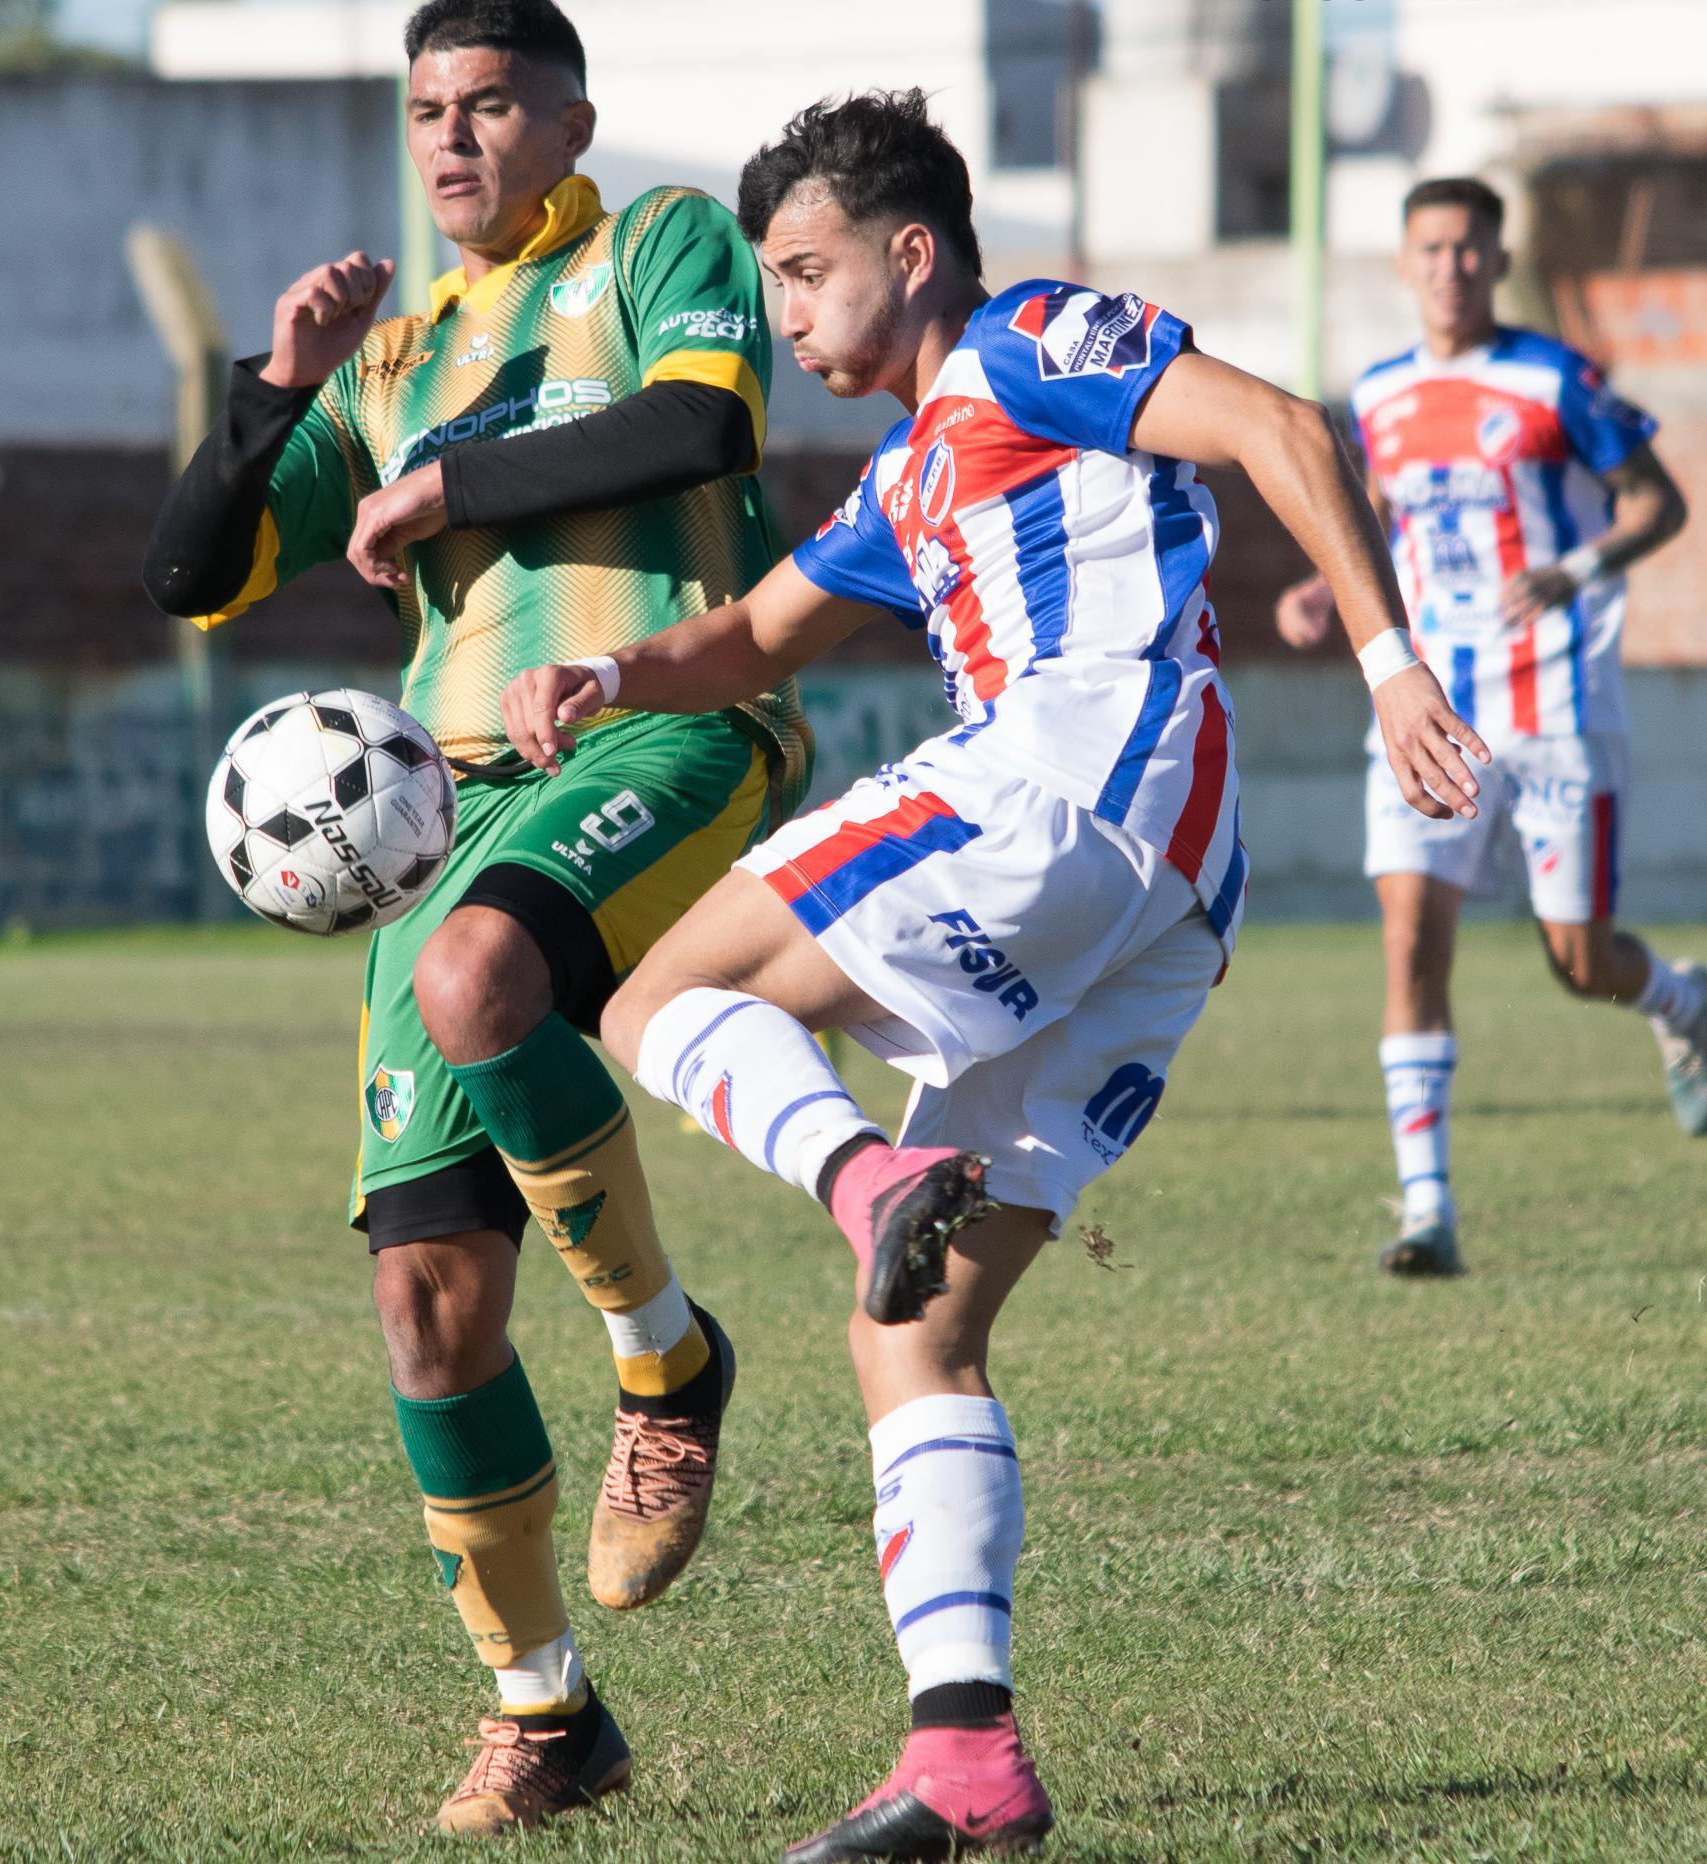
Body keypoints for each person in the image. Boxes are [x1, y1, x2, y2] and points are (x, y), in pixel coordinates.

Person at [499, 91, 1482, 1862]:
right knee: (915, 1322)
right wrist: (611, 672)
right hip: (1168, 885)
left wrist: (1398, 662)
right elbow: (752, 636)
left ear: (915, 251)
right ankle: (965, 1756)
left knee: (649, 995)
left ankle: (867, 1168)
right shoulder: (903, 475)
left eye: (806, 272)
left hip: (1068, 765)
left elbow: (1275, 421)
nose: (787, 314)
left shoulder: (1030, 340)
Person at [142, 0, 813, 1834]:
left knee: (476, 966)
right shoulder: (395, 355)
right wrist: (278, 391)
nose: (455, 138)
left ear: (568, 112)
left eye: (493, 102)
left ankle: (668, 1362)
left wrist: (459, 478)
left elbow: (699, 421)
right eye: (430, 107)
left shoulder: (654, 243)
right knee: (426, 1307)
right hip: (440, 807)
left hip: (666, 729)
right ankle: (546, 1712)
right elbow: (195, 571)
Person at [1276, 176, 1694, 1278]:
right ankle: (1428, 1213)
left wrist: (1575, 568)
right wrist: (1330, 593)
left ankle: (1677, 999)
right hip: (1427, 708)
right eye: (1431, 248)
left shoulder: (1554, 378)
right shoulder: (1375, 395)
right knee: (1411, 939)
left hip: (1554, 707)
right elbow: (1373, 520)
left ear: (1497, 260)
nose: (1450, 266)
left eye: (1469, 248)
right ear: (1404, 262)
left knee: (1579, 960)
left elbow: (1661, 503)